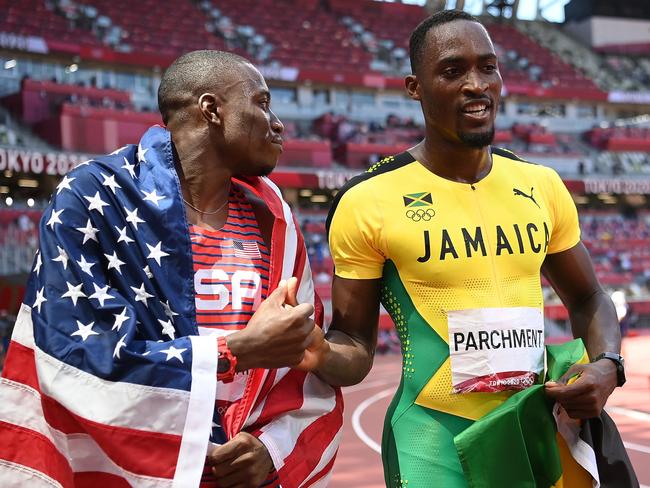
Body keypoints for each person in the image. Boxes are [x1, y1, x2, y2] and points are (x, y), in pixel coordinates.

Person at [314, 10, 628, 487]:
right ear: (415, 87)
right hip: (433, 440)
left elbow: (589, 298)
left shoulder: (540, 185)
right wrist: (310, 349)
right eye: (452, 71)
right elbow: (354, 344)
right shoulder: (367, 200)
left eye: (488, 67)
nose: (476, 84)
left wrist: (608, 365)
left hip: (533, 426)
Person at [0, 50, 342, 487]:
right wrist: (233, 351)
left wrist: (271, 448)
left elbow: (302, 370)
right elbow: (73, 360)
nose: (278, 123)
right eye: (261, 102)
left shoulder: (273, 219)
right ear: (211, 109)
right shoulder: (92, 197)